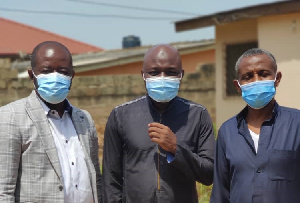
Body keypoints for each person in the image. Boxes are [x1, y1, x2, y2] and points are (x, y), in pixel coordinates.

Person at [102, 44, 215, 203]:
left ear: (181, 75)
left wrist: (176, 149)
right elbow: (111, 179)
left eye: (171, 72)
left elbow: (209, 174)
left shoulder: (197, 115)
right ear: (143, 75)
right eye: (154, 72)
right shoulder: (121, 115)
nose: (162, 78)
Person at [0, 41, 102, 203]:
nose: (55, 77)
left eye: (62, 71)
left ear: (71, 76)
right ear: (32, 75)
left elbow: (96, 178)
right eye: (46, 71)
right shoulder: (11, 117)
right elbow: (3, 190)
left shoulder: (84, 119)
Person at [210, 48, 300, 203]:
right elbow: (221, 193)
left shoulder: (297, 124)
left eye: (264, 74)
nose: (256, 81)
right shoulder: (227, 131)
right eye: (248, 77)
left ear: (277, 78)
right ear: (238, 86)